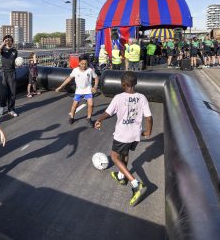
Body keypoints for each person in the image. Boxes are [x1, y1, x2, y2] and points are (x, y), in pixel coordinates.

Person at [94, 71, 153, 207]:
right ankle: (121, 177)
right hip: (135, 134)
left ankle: (135, 183)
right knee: (125, 154)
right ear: (136, 83)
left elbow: (108, 113)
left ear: (122, 84)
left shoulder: (119, 98)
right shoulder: (142, 97)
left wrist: (99, 119)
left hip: (122, 134)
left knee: (114, 156)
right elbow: (149, 117)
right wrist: (148, 131)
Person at [55, 55, 99, 127]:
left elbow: (96, 78)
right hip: (79, 91)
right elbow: (69, 79)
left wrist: (95, 87)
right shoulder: (75, 70)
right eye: (82, 64)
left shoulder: (90, 70)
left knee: (91, 104)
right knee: (75, 105)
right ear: (79, 63)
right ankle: (72, 117)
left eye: (85, 64)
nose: (84, 65)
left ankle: (89, 118)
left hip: (88, 90)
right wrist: (60, 87)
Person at [0, 35, 18, 117]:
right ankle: (2, 106)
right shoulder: (3, 49)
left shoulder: (15, 51)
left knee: (13, 92)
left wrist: (18, 64)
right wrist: (3, 43)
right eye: (6, 40)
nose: (8, 41)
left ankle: (11, 109)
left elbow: (14, 61)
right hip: (3, 72)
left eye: (9, 40)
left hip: (12, 72)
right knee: (2, 92)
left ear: (12, 41)